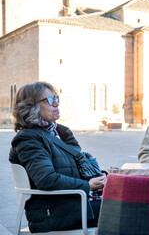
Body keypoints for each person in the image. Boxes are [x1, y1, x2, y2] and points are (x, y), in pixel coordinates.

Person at [9, 82, 106, 233]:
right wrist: (88, 185)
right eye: (49, 100)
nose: (56, 103)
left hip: (73, 204)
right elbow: (47, 179)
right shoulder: (28, 139)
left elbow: (70, 169)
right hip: (53, 215)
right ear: (31, 107)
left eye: (56, 98)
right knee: (128, 207)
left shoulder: (58, 132)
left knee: (131, 199)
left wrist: (99, 177)